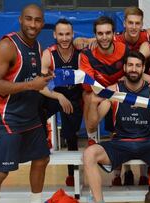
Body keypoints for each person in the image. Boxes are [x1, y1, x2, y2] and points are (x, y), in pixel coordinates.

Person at [82, 51, 150, 202]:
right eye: (131, 65)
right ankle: (98, 201)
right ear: (125, 68)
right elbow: (92, 124)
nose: (134, 69)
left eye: (138, 66)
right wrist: (94, 104)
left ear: (143, 68)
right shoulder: (113, 90)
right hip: (121, 143)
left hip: (149, 143)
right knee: (89, 154)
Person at [0, 4, 52, 203]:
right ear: (20, 20)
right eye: (29, 19)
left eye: (38, 20)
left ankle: (35, 201)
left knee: (42, 159)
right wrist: (32, 84)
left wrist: (45, 78)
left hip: (31, 117)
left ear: (43, 23)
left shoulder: (37, 47)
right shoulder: (7, 46)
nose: (33, 24)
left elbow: (27, 77)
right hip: (9, 120)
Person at [39, 18, 83, 187]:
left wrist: (86, 41)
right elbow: (40, 85)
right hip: (55, 95)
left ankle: (72, 173)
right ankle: (43, 140)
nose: (64, 38)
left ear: (73, 35)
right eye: (61, 35)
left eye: (67, 34)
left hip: (73, 97)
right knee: (37, 106)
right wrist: (58, 96)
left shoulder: (80, 53)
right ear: (54, 35)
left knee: (71, 136)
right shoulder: (48, 54)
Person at [78, 16, 128, 145]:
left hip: (117, 92)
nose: (104, 37)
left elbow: (131, 76)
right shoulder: (87, 54)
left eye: (107, 33)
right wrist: (105, 93)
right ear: (95, 35)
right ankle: (92, 138)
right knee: (88, 97)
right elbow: (87, 85)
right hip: (97, 92)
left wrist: (113, 90)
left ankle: (118, 138)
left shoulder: (124, 50)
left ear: (113, 34)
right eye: (100, 33)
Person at [74, 6, 150, 51]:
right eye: (130, 23)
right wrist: (78, 40)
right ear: (124, 23)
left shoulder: (147, 34)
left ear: (142, 25)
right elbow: (83, 41)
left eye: (137, 23)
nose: (133, 27)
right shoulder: (115, 38)